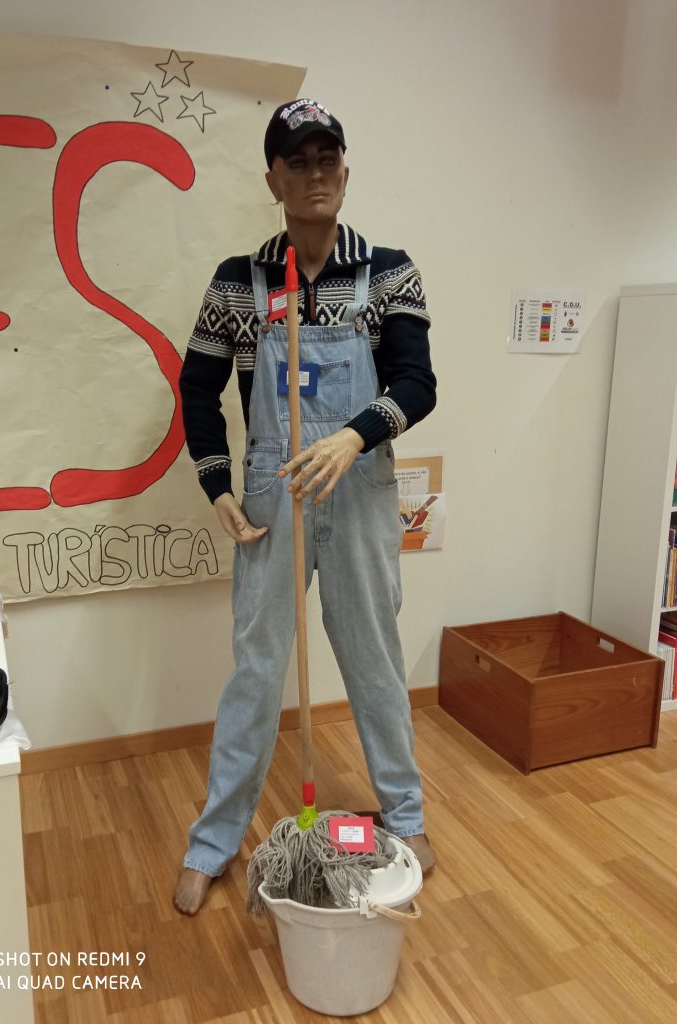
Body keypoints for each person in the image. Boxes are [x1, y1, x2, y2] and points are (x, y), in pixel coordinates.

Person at [174, 98, 437, 916]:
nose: (316, 174)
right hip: (272, 493)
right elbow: (197, 387)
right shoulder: (239, 282)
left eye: (328, 159)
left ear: (345, 173)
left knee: (374, 658)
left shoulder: (386, 272)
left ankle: (405, 814)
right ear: (274, 180)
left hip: (357, 489)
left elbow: (417, 384)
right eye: (299, 161)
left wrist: (354, 437)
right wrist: (219, 486)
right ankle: (215, 840)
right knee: (257, 670)